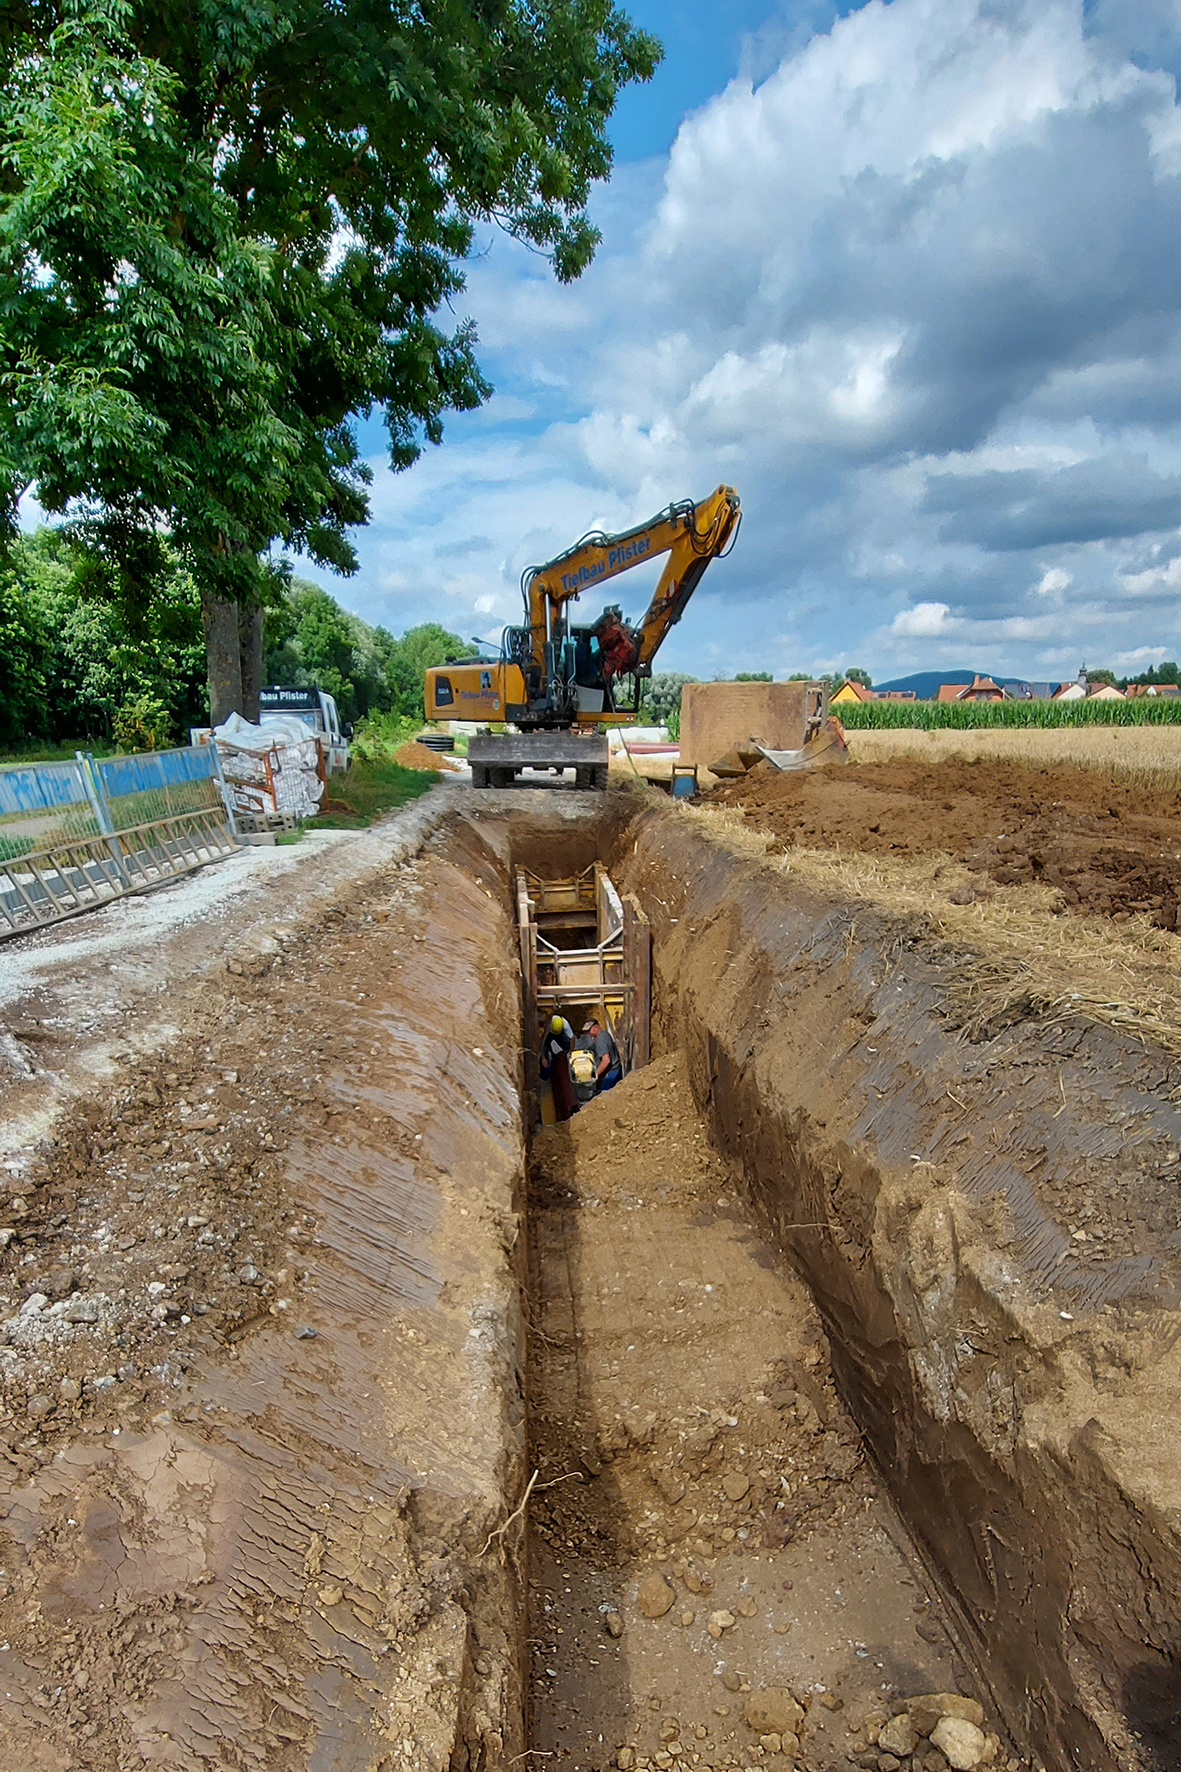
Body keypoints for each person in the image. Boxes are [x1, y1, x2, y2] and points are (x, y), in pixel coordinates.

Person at [539, 1012, 577, 1122]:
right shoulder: (546, 1027)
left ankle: (561, 1057)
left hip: (560, 1036)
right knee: (545, 1064)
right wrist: (543, 1058)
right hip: (547, 1037)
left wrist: (571, 1052)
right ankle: (545, 1076)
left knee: (565, 1044)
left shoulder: (564, 1023)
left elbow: (572, 1038)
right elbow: (541, 1044)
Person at [579, 1012, 622, 1091]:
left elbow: (606, 1060)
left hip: (612, 1073)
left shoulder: (600, 1040)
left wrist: (594, 1076)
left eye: (589, 1030)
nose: (588, 1033)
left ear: (596, 1027)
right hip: (615, 1069)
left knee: (603, 1096)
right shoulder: (604, 1033)